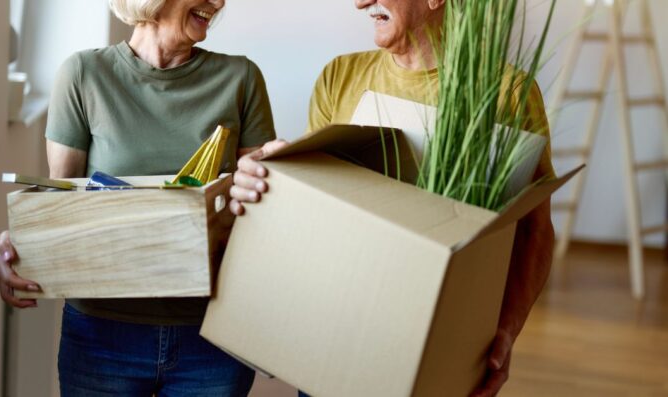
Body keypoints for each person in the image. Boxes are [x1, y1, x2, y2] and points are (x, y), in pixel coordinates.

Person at [229, 1, 555, 396]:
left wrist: (506, 330)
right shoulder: (340, 75)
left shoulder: (508, 92)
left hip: (443, 348)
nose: (361, 2)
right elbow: (317, 214)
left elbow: (534, 230)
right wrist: (274, 176)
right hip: (336, 341)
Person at [0, 0, 276, 395]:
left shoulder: (241, 78)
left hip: (212, 336)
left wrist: (280, 179)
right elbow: (60, 206)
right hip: (101, 336)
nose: (219, 2)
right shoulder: (84, 74)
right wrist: (19, 242)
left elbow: (261, 211)